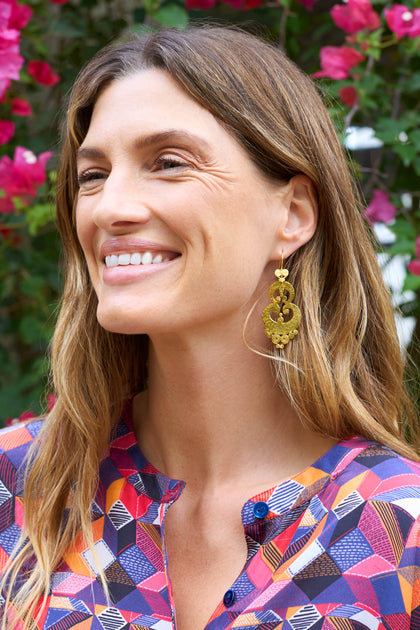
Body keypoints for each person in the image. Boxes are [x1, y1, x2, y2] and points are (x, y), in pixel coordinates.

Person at [1, 24, 420, 630]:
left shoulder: (394, 527)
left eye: (168, 163)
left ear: (293, 215)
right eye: (92, 175)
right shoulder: (22, 489)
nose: (110, 208)